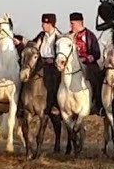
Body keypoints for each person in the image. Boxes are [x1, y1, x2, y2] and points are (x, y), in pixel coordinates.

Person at [32, 13, 65, 149]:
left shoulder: (59, 37)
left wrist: (54, 59)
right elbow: (33, 44)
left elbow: (62, 52)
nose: (42, 25)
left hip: (53, 68)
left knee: (53, 85)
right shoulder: (41, 36)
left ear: (51, 24)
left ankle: (54, 105)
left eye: (44, 23)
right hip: (41, 65)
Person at [68, 12, 103, 113]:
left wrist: (87, 58)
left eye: (72, 23)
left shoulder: (90, 35)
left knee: (96, 78)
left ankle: (98, 104)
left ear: (79, 23)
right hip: (72, 65)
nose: (71, 26)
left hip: (88, 64)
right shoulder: (69, 36)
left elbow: (97, 53)